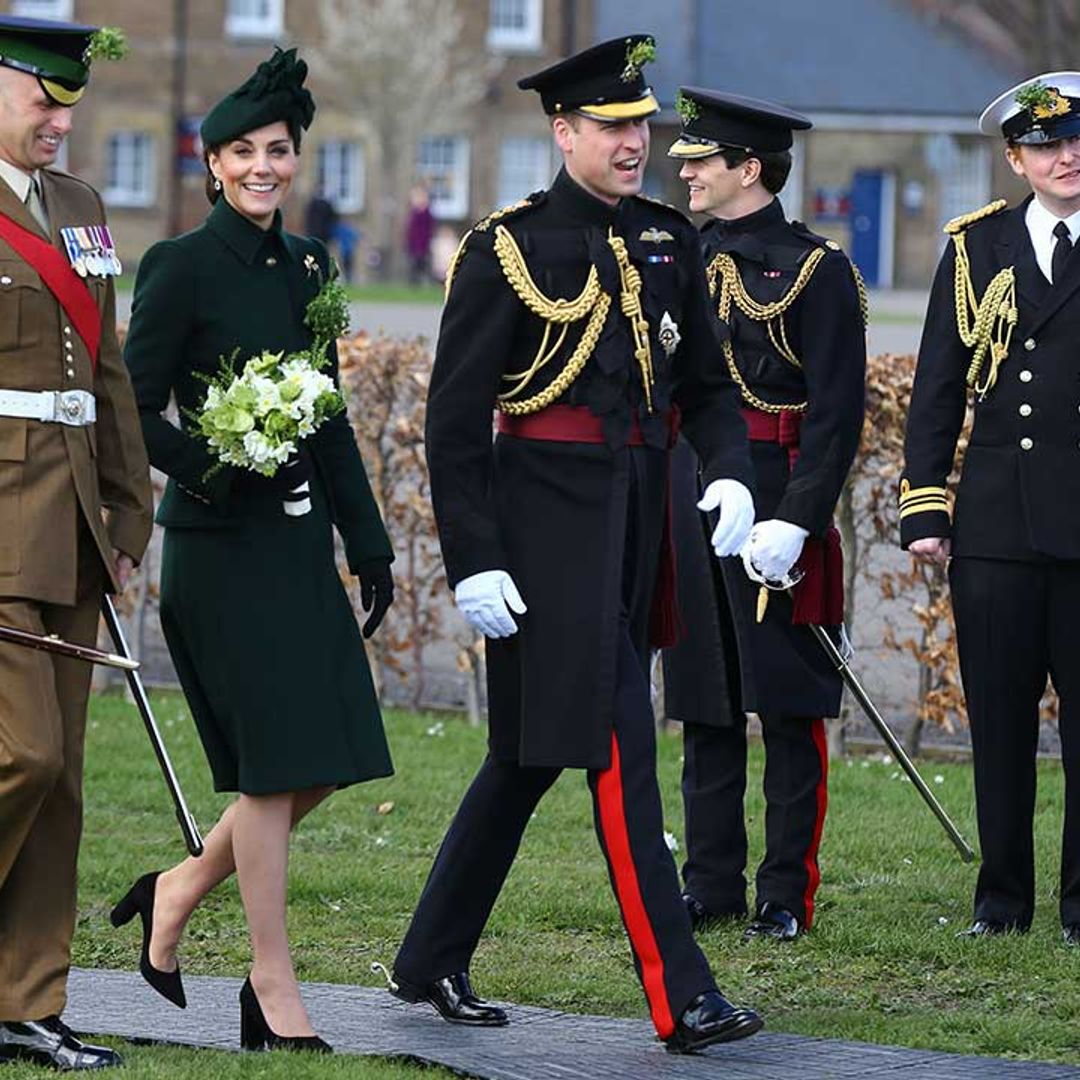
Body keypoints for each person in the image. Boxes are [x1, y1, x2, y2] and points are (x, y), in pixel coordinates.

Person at [388, 36, 763, 1054]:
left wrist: (727, 470)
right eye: (612, 126)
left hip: (642, 523)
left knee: (525, 753)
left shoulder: (665, 239)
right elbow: (455, 428)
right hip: (544, 534)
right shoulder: (505, 248)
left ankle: (426, 957)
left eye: (642, 125)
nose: (635, 143)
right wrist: (474, 559)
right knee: (614, 753)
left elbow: (708, 390)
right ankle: (680, 994)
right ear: (562, 133)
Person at [115, 47, 395, 1052]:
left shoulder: (314, 266)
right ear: (215, 165)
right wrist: (217, 465)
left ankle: (178, 887)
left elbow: (324, 421)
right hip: (218, 551)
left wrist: (370, 544)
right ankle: (273, 991)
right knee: (273, 774)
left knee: (328, 760)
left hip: (297, 552)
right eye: (244, 152)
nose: (264, 166)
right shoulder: (178, 266)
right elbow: (135, 410)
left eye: (278, 150)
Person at [663, 88, 867, 941]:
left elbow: (837, 411)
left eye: (703, 162)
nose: (687, 175)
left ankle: (786, 892)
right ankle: (709, 882)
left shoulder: (815, 271)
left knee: (788, 704)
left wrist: (799, 518)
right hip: (690, 487)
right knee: (705, 699)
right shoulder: (672, 257)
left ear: (749, 168)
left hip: (780, 493)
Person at [0, 15, 153, 1071]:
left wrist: (128, 509)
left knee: (61, 787)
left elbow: (107, 373)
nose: (62, 117)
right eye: (41, 96)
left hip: (75, 528)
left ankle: (27, 1001)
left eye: (70, 100)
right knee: (22, 754)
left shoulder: (85, 210)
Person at [901, 72, 1080, 944]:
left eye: (1078, 140)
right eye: (1046, 144)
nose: (1068, 155)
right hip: (998, 527)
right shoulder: (977, 248)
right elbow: (935, 387)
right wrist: (926, 507)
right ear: (1016, 157)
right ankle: (1002, 903)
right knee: (1000, 725)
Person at [404, 182, 434, 285]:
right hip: (414, 243)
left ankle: (425, 282)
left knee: (422, 264)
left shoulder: (426, 213)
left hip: (423, 243)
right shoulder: (413, 213)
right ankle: (414, 283)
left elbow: (428, 230)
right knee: (414, 265)